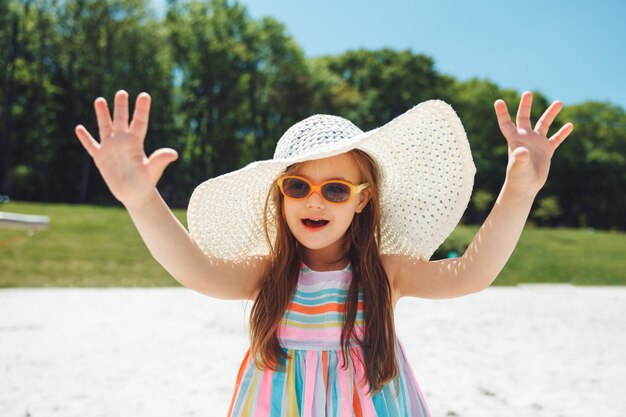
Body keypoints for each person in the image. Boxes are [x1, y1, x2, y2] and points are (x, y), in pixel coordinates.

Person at [75, 90, 573, 416]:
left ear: (362, 200)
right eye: (298, 185)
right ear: (282, 195)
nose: (314, 200)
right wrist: (142, 200)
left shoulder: (383, 271)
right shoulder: (270, 272)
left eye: (335, 190)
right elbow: (197, 270)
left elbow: (471, 273)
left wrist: (519, 191)